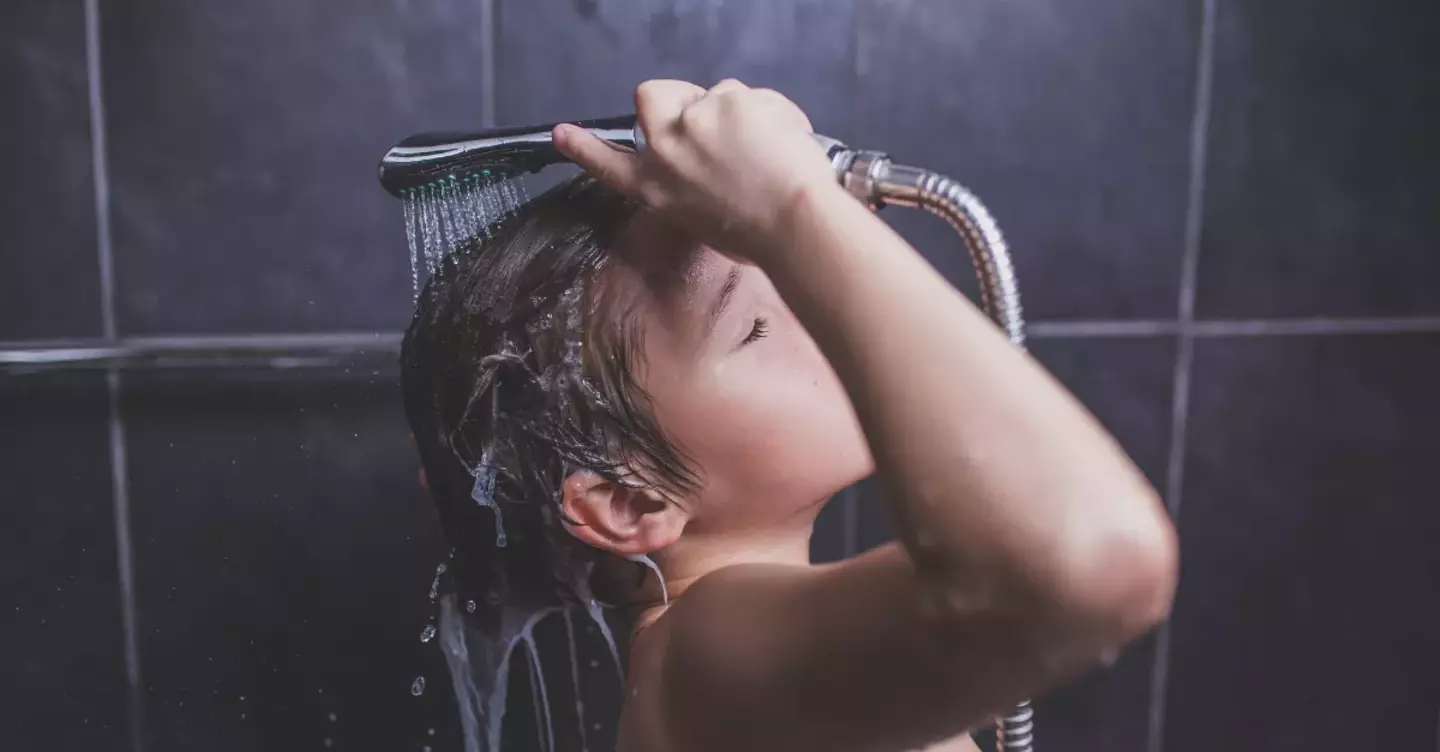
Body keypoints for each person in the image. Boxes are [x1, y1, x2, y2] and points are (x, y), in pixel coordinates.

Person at [402, 78, 1177, 752]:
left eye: (786, 273)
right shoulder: (700, 659)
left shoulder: (766, 649)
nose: (818, 299)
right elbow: (1088, 560)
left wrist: (784, 212)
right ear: (630, 501)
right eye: (754, 327)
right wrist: (787, 207)